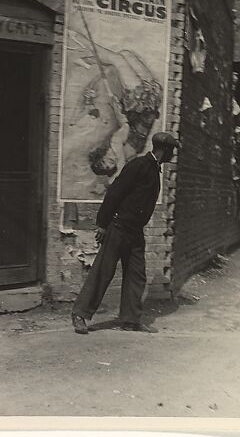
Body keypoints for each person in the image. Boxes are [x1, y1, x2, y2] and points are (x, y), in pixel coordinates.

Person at [71, 132, 179, 334]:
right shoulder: (139, 165)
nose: (172, 155)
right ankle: (79, 314)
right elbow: (114, 192)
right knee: (103, 272)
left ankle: (130, 320)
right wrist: (102, 224)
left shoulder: (154, 169)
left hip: (135, 232)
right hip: (118, 228)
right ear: (163, 150)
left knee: (136, 275)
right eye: (171, 151)